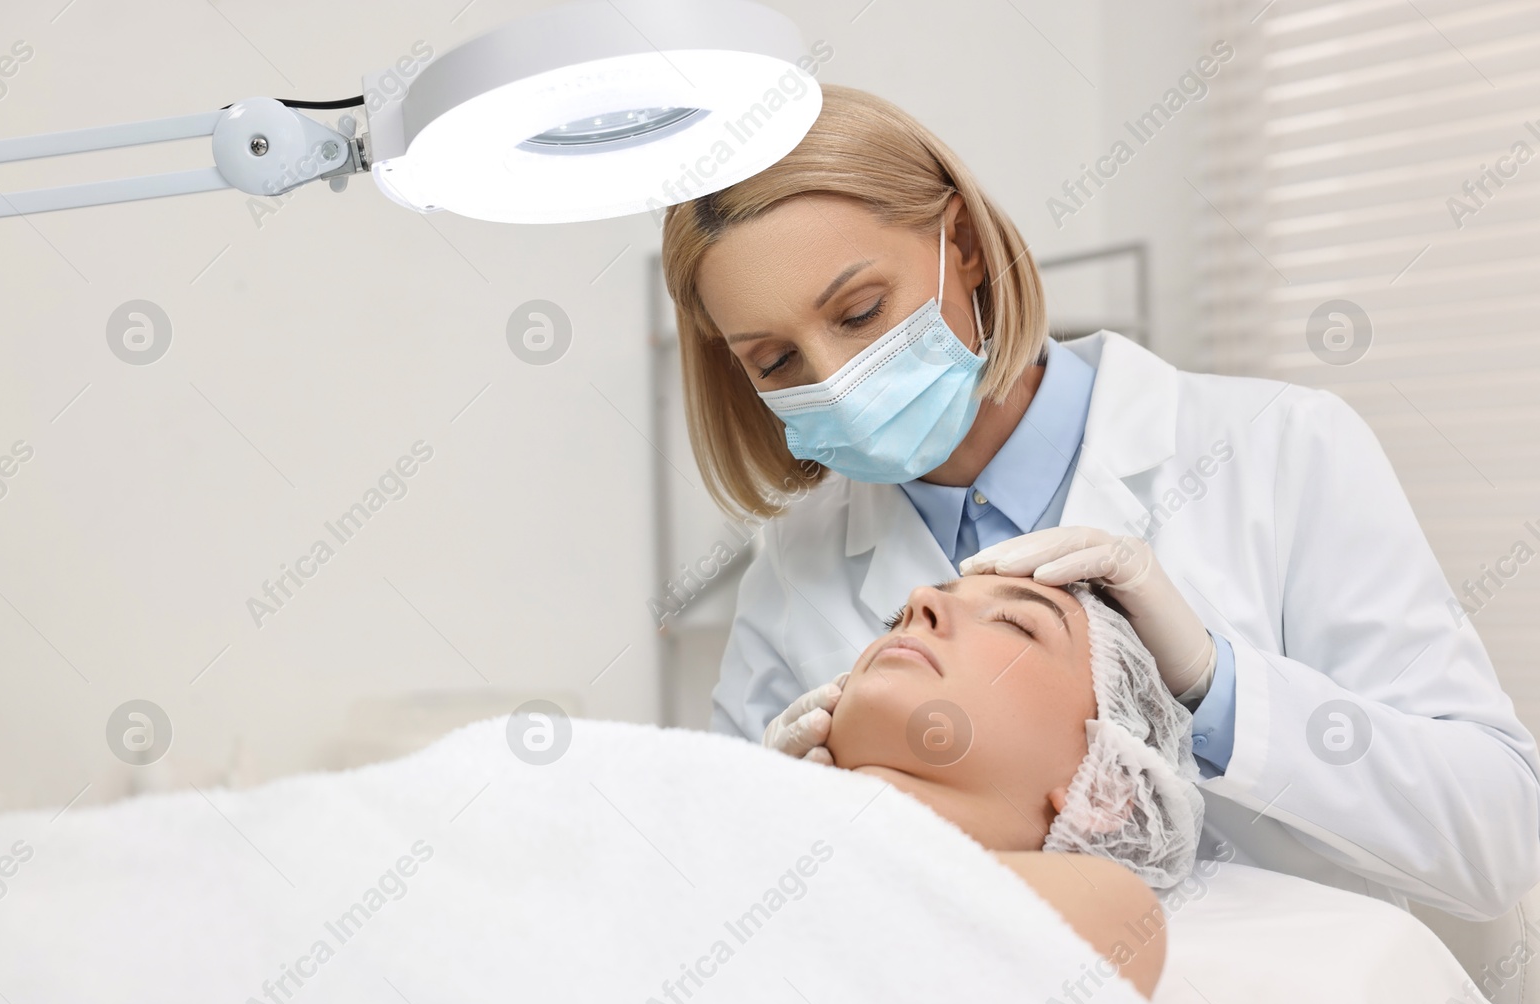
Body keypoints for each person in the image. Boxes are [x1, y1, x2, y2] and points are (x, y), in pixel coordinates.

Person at [659, 84, 1540, 921]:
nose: (836, 382)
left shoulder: (1279, 448)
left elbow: (1497, 841)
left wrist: (1213, 685)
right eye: (774, 362)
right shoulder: (794, 565)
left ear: (961, 243)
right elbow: (715, 899)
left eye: (859, 311)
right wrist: (776, 820)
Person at [820, 572, 1203, 997]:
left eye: (1012, 622)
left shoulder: (1104, 910)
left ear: (1103, 792)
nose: (918, 599)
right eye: (894, 621)